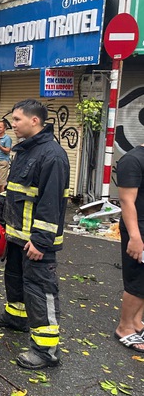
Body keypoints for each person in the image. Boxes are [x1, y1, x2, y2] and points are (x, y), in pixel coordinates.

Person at [0, 99, 69, 370]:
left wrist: (41, 241)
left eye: (18, 120)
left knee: (39, 291)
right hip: (17, 236)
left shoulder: (52, 155)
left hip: (35, 242)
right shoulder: (24, 151)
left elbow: (51, 202)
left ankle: (46, 351)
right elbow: (14, 190)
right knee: (15, 281)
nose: (13, 125)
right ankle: (17, 318)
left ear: (35, 121)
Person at [114, 144, 144, 352]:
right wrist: (135, 237)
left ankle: (137, 323)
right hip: (139, 229)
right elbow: (126, 201)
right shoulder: (132, 160)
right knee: (137, 279)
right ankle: (124, 327)